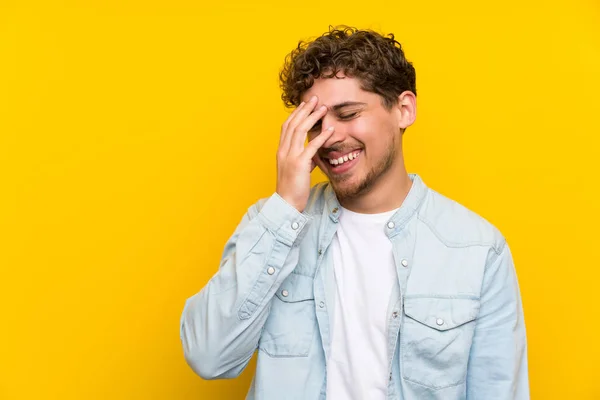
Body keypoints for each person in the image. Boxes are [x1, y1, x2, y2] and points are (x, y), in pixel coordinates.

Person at [179, 25, 529, 400]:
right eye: (315, 123)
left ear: (404, 109)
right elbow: (207, 356)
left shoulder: (478, 250)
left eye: (347, 113)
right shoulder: (271, 225)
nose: (328, 137)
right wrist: (285, 208)